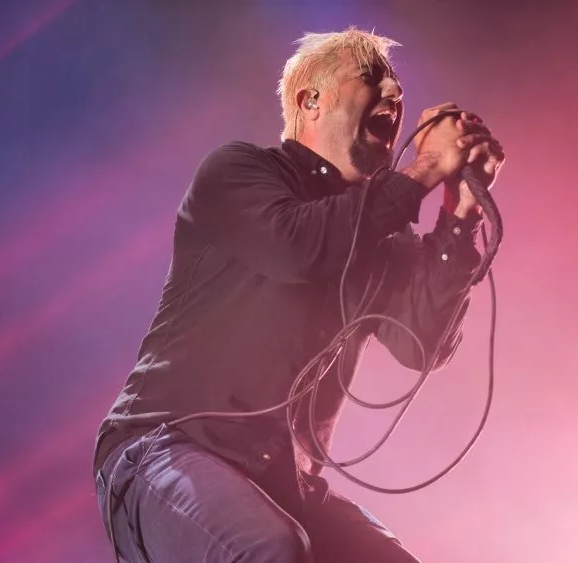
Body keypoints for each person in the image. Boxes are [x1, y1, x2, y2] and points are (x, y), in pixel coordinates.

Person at [93, 28, 504, 562]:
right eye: (373, 80)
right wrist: (424, 170)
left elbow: (420, 343)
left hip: (283, 480)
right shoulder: (241, 171)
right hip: (166, 448)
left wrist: (459, 214)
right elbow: (298, 247)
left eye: (399, 90)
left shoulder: (380, 232)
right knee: (269, 550)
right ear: (311, 100)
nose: (394, 97)